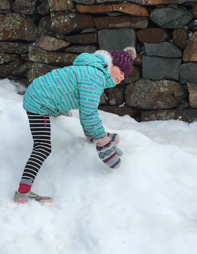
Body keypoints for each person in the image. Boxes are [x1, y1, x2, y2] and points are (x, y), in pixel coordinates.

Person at [14, 47, 136, 204]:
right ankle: (22, 193)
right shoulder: (95, 77)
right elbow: (89, 113)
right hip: (39, 102)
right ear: (112, 64)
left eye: (125, 76)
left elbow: (85, 109)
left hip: (43, 96)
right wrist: (102, 141)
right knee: (43, 147)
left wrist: (93, 134)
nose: (122, 77)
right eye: (121, 71)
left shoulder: (91, 70)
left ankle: (87, 129)